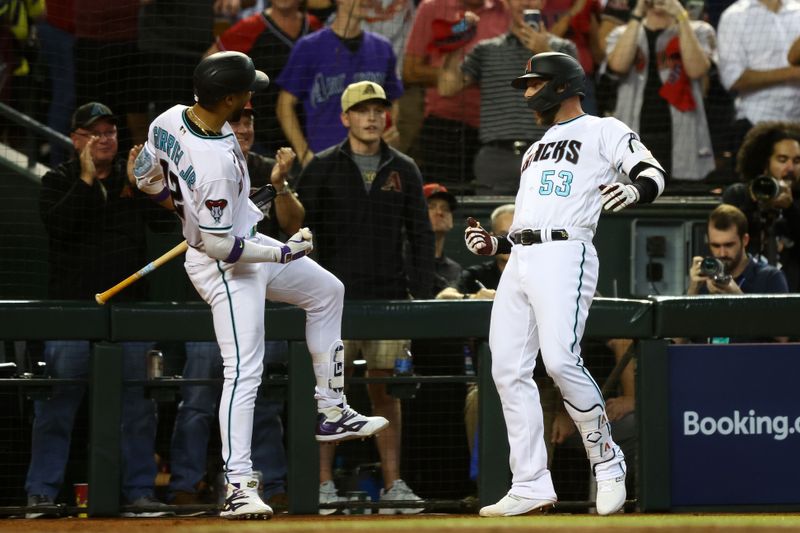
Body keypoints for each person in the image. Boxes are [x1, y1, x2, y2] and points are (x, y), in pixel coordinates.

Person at [133, 51, 389, 520]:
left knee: (328, 291)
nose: (253, 92)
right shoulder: (213, 164)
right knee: (244, 371)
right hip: (226, 264)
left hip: (242, 238)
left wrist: (179, 203)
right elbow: (222, 250)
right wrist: (282, 252)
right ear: (228, 97)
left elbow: (142, 177)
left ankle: (331, 408)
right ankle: (237, 484)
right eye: (247, 88)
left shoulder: (169, 119)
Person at [464, 51, 667, 517]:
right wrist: (494, 244)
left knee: (559, 360)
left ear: (562, 85)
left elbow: (652, 172)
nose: (529, 92)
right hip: (522, 257)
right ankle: (531, 481)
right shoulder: (533, 149)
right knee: (507, 370)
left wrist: (636, 190)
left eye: (535, 84)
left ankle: (606, 458)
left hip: (566, 251)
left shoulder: (603, 129)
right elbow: (530, 221)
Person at [295, 80, 434, 514]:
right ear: (345, 118)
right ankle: (321, 485)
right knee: (329, 395)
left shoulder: (404, 167)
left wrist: (421, 298)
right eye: (363, 110)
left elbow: (422, 235)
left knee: (385, 393)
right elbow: (303, 236)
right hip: (331, 304)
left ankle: (394, 486)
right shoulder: (320, 166)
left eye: (378, 110)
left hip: (389, 299)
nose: (372, 117)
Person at [27, 102, 171, 518]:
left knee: (138, 409)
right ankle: (41, 494)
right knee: (56, 404)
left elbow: (167, 225)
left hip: (130, 317)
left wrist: (144, 186)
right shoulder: (58, 180)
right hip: (72, 314)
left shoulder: (132, 183)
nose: (105, 138)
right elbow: (60, 226)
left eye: (110, 131)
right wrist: (89, 180)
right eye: (95, 132)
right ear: (76, 140)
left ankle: (139, 493)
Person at [168, 102, 303, 512]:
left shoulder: (262, 165)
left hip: (254, 287)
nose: (243, 127)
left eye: (249, 120)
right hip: (213, 286)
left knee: (256, 391)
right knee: (197, 401)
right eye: (236, 120)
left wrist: (279, 185)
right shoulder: (203, 159)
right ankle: (188, 484)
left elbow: (294, 223)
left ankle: (267, 482)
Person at [437, 0, 577, 194]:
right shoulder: (486, 50)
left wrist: (544, 51)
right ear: (506, 3)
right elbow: (447, 88)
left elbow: (572, 93)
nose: (526, 2)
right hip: (496, 158)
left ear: (544, 2)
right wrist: (453, 45)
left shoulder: (564, 49)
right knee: (495, 221)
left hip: (548, 154)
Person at [275, 0, 403, 166]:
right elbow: (284, 105)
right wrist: (303, 152)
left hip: (371, 160)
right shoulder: (309, 47)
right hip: (324, 160)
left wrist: (387, 131)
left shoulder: (383, 48)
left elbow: (393, 100)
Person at [402, 0, 510, 192]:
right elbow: (410, 71)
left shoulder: (505, 9)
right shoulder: (432, 7)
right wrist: (465, 76)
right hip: (443, 128)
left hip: (493, 131)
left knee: (490, 206)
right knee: (441, 202)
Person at [605, 0, 716, 181]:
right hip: (635, 130)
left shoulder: (698, 31)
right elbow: (618, 65)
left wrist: (681, 16)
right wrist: (637, 14)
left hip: (684, 133)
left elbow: (696, 69)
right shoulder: (622, 33)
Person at [207, 0, 321, 157]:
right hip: (262, 140)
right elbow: (209, 63)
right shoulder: (251, 26)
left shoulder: (315, 27)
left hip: (310, 139)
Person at [685, 204, 789, 341]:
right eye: (715, 245)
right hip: (707, 360)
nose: (721, 253)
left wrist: (739, 299)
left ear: (744, 240)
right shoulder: (702, 281)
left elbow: (784, 338)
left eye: (729, 245)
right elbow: (675, 342)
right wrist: (692, 292)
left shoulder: (769, 278)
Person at [721, 122, 800, 291]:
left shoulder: (795, 205)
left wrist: (790, 208)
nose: (790, 168)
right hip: (747, 293)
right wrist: (756, 202)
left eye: (797, 161)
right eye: (782, 159)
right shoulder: (740, 195)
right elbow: (729, 239)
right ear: (765, 163)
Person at [716, 0, 800, 150]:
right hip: (757, 123)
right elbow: (732, 78)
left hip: (797, 123)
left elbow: (792, 57)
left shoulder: (797, 10)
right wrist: (792, 73)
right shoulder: (735, 16)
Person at [424, 183, 464, 294]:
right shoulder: (403, 264)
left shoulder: (455, 270)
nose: (439, 212)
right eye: (431, 207)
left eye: (445, 208)